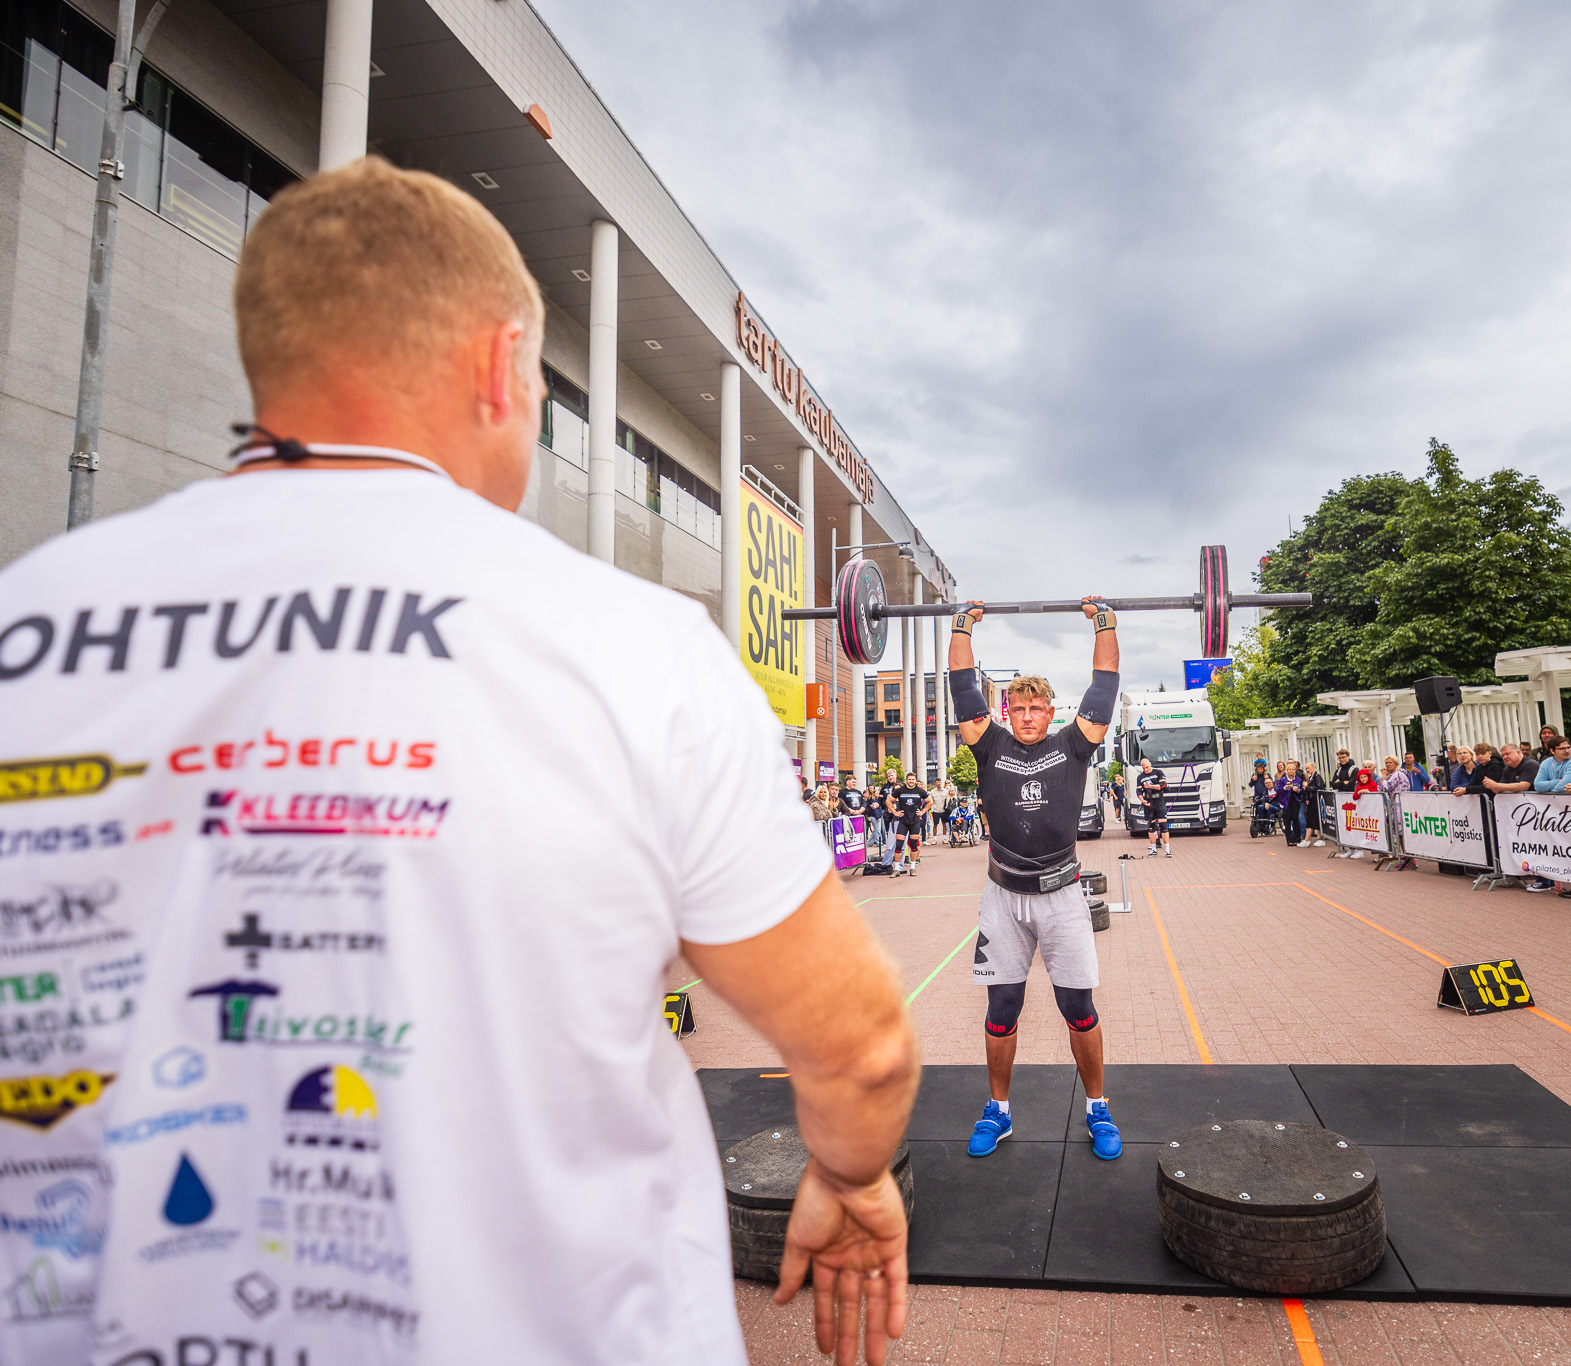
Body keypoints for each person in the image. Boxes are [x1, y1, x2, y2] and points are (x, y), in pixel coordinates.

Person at [0, 158, 919, 1366]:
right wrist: (851, 1175)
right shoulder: (628, 646)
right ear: (499, 366)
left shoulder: (27, 619)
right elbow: (860, 1044)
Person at [948, 599, 1123, 1161]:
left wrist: (1104, 624)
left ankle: (1097, 1107)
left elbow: (1104, 685)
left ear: (1051, 712)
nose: (1026, 716)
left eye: (1036, 708)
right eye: (1018, 708)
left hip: (1062, 898)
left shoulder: (1073, 745)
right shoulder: (989, 744)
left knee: (1079, 1008)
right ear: (1007, 711)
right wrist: (961, 626)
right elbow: (962, 686)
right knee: (1002, 1010)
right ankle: (997, 1111)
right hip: (1002, 900)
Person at [890, 772, 928, 877]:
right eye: (909, 779)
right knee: (899, 845)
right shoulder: (900, 791)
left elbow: (930, 802)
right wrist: (895, 812)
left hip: (915, 821)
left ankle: (912, 868)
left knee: (914, 845)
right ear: (906, 780)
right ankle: (896, 869)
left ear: (915, 780)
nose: (911, 781)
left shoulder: (920, 791)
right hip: (903, 821)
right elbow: (889, 801)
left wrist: (922, 812)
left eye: (913, 779)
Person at [1137, 757, 1173, 855]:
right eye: (1143, 768)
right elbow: (1139, 791)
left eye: (1147, 767)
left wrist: (1150, 786)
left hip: (1159, 801)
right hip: (1148, 802)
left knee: (1163, 825)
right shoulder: (1140, 777)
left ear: (1150, 764)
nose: (1145, 770)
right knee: (1151, 826)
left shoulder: (1158, 772)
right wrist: (1143, 800)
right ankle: (1153, 849)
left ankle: (1167, 849)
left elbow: (1163, 785)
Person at [1274, 759, 1306, 845]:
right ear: (1287, 770)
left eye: (1292, 769)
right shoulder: (1282, 780)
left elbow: (1302, 791)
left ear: (1295, 770)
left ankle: (1297, 839)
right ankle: (1289, 840)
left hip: (1295, 801)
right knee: (1287, 820)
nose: (1291, 771)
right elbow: (1278, 790)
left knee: (1296, 819)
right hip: (1286, 802)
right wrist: (1285, 788)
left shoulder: (1298, 780)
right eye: (1289, 769)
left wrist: (1298, 790)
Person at [1302, 760, 1329, 846]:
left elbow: (1318, 787)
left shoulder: (1317, 777)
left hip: (1316, 801)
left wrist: (1307, 788)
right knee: (1312, 820)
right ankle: (1309, 839)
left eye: (1308, 768)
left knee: (1315, 819)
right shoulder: (1312, 777)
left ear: (1313, 767)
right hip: (1313, 800)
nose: (1307, 770)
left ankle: (1317, 839)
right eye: (1306, 768)